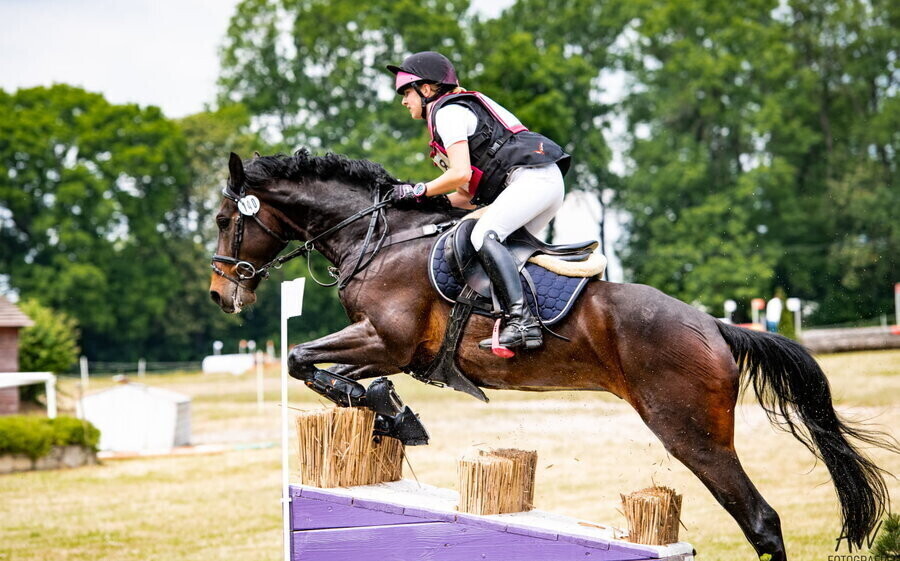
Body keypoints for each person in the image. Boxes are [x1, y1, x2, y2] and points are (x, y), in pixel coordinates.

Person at [387, 51, 571, 354]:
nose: (404, 101)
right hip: (540, 182)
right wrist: (427, 203)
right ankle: (519, 320)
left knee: (482, 236)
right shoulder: (452, 112)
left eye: (406, 92)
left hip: (532, 180)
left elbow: (458, 172)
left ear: (428, 89)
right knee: (502, 251)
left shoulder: (446, 113)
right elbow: (467, 197)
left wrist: (416, 190)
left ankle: (523, 323)